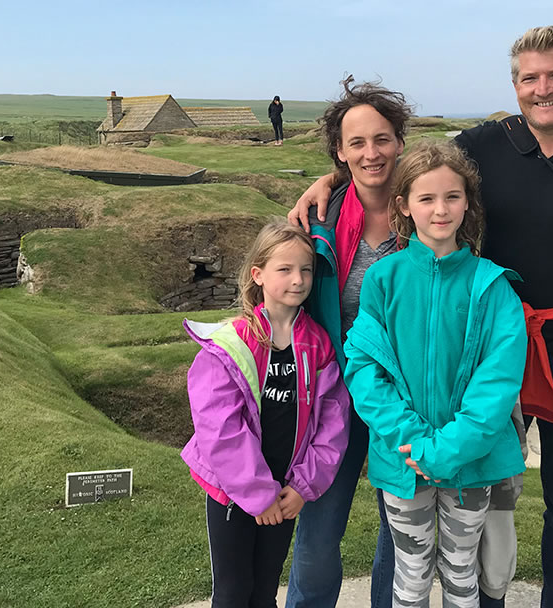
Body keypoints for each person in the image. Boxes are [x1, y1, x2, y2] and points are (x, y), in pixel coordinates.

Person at [290, 25, 553, 608]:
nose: (543, 89)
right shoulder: (487, 144)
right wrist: (335, 177)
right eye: (529, 78)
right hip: (480, 339)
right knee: (489, 499)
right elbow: (410, 170)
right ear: (514, 85)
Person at [344, 140, 527, 608]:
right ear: (404, 205)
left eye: (452, 197)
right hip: (403, 458)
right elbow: (364, 367)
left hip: (471, 463)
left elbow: (498, 384)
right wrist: (414, 442)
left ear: (468, 202)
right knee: (410, 574)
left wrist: (444, 450)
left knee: (463, 571)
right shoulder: (382, 280)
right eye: (427, 198)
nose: (440, 209)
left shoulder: (493, 286)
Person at [284, 77, 412, 608]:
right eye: (356, 143)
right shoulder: (322, 217)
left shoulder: (428, 207)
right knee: (318, 530)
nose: (371, 152)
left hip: (405, 395)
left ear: (400, 141)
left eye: (381, 138)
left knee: (401, 531)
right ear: (339, 151)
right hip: (332, 390)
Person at [180, 221, 351, 608]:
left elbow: (333, 422)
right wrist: (259, 495)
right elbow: (220, 428)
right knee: (233, 592)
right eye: (285, 269)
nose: (298, 279)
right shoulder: (231, 342)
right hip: (234, 496)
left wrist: (304, 487)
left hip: (287, 492)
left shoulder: (318, 343)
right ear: (257, 274)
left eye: (306, 269)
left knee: (265, 592)